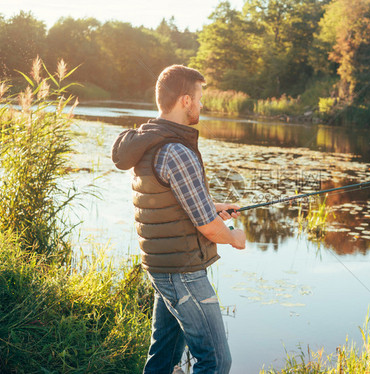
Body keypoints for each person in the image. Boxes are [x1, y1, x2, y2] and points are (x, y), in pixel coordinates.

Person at [111, 65, 246, 374]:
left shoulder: (150, 143)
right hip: (183, 272)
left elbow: (169, 199)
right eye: (199, 97)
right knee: (214, 361)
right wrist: (233, 237)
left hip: (162, 268)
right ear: (185, 100)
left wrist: (211, 205)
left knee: (164, 356)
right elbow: (208, 228)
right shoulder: (177, 150)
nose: (201, 105)